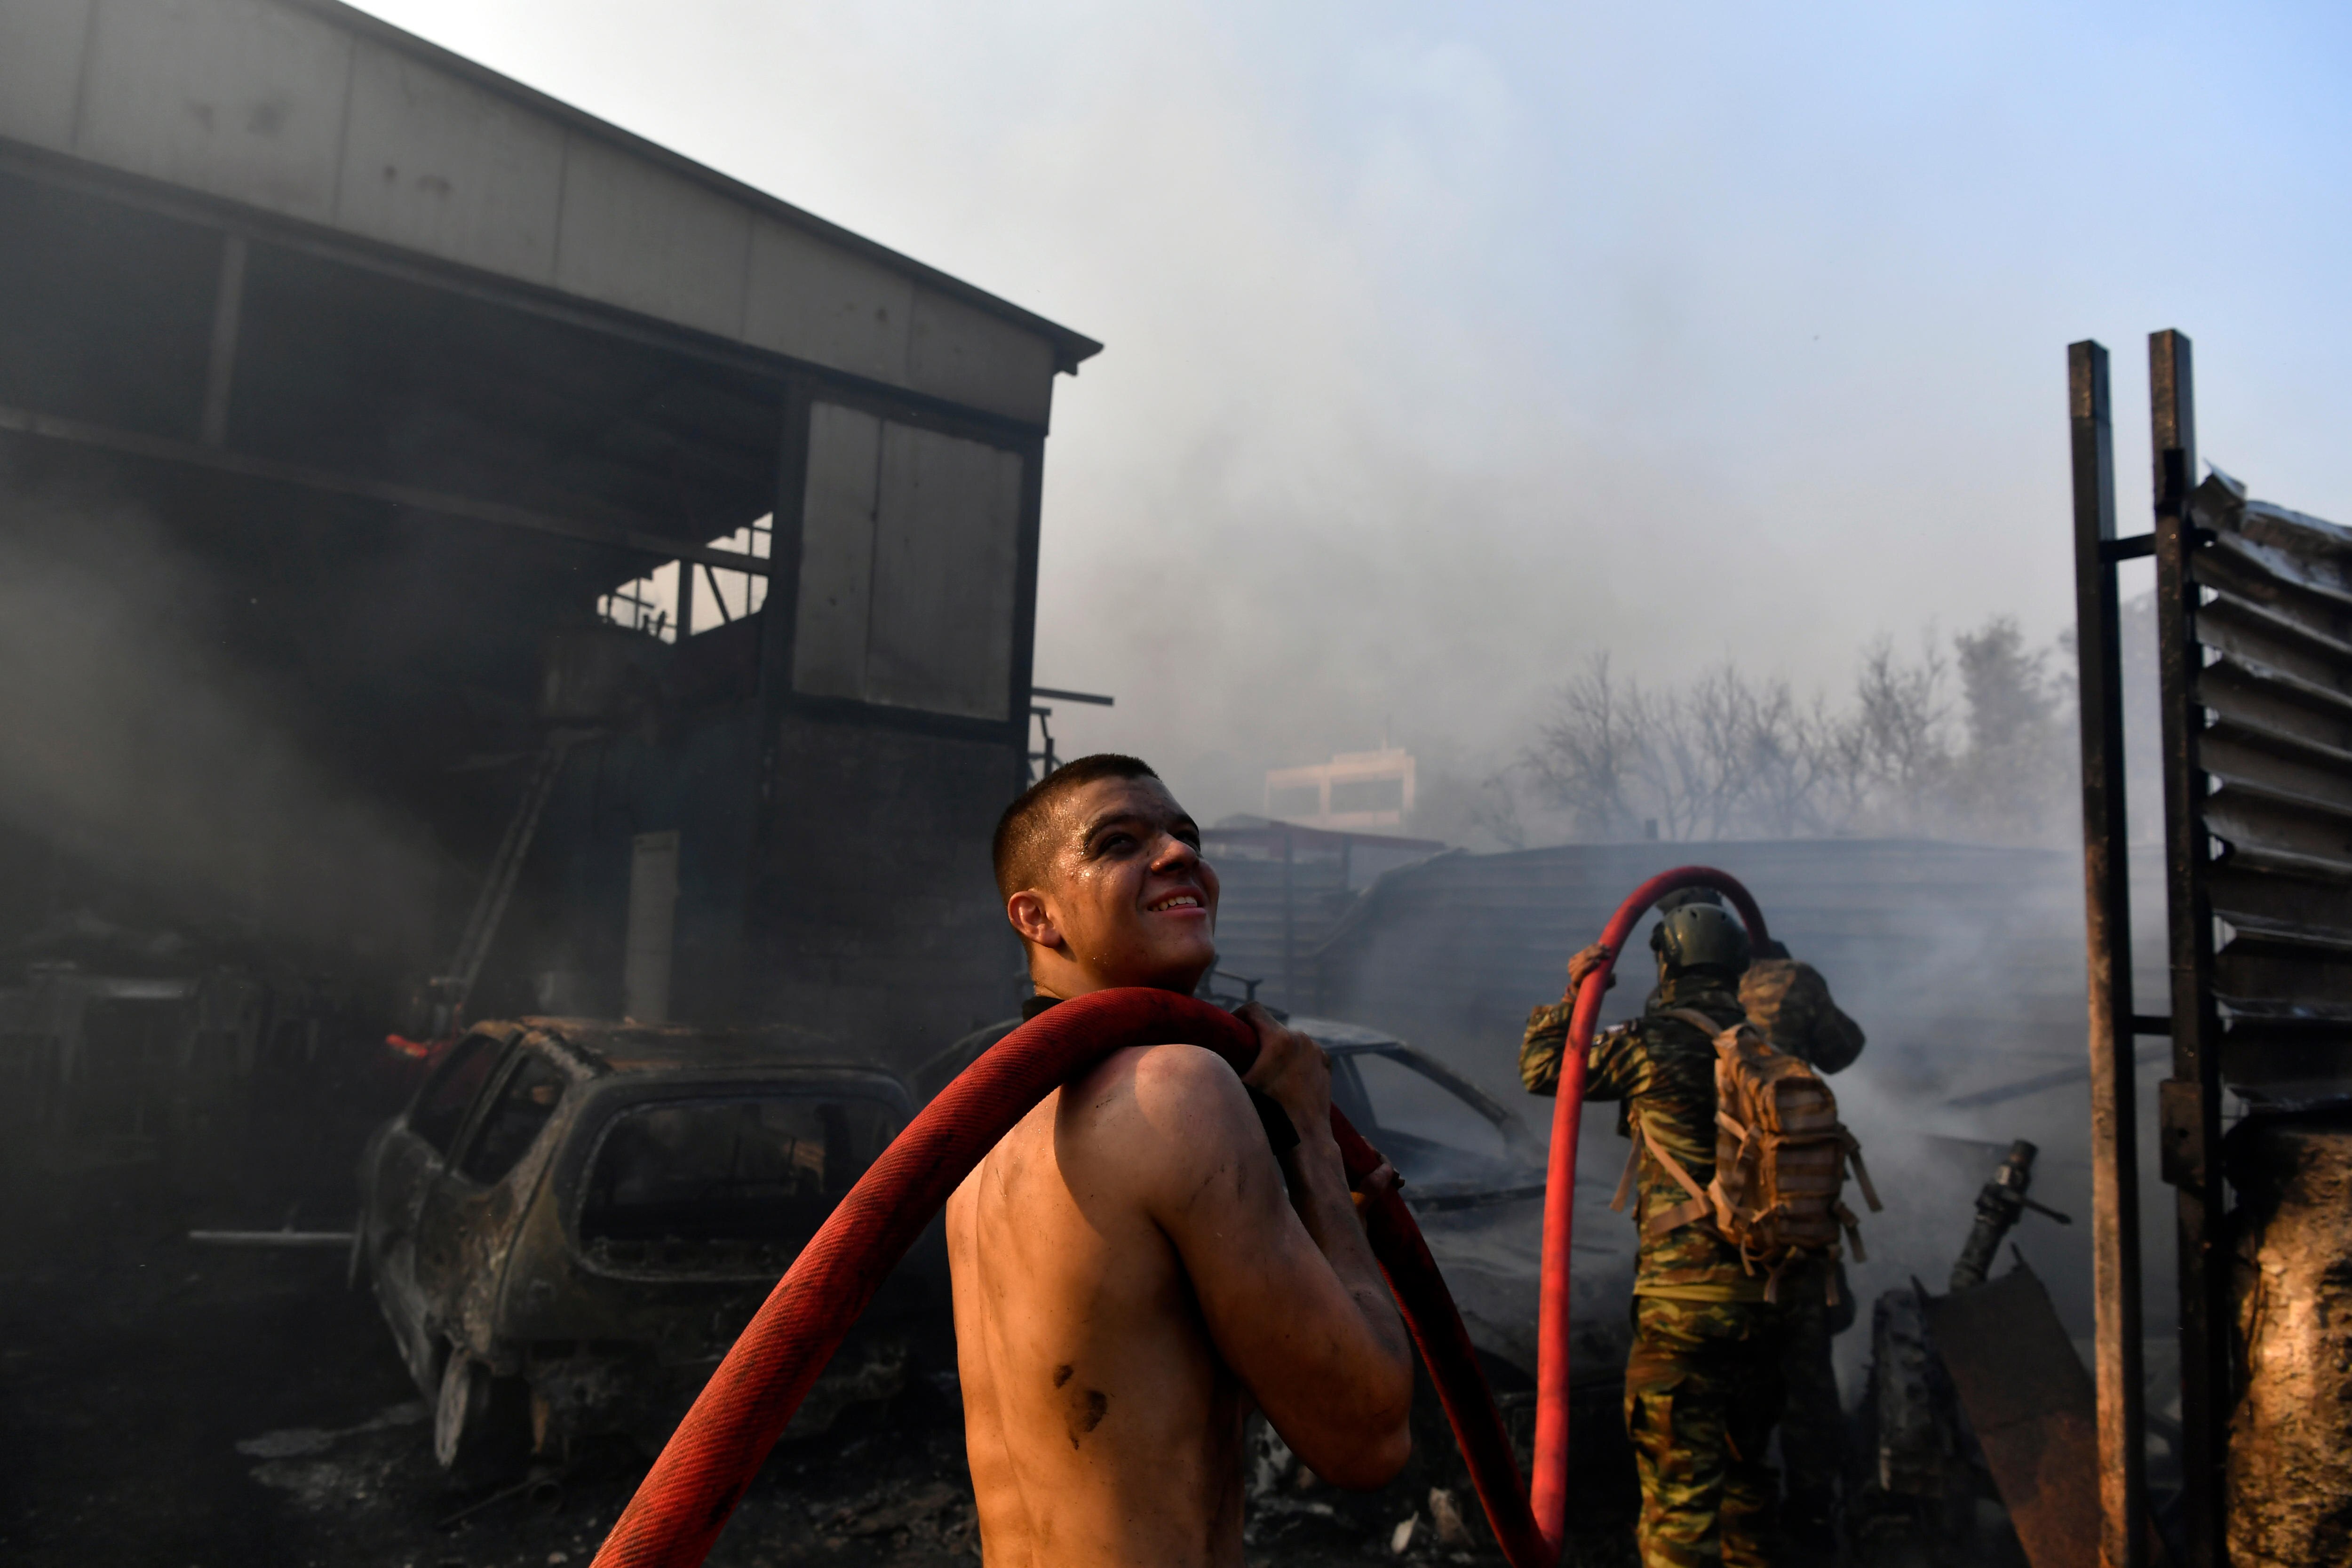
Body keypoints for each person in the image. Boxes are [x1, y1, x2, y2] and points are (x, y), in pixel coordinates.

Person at [947, 754, 1414, 1567]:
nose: (1177, 854)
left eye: (1184, 835)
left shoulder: (986, 1137)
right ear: (1038, 916)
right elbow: (1368, 1436)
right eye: (1121, 842)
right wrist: (1309, 1140)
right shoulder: (1176, 1089)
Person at [1517, 890, 1784, 1568]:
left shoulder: (1647, 1044)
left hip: (1681, 1308)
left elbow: (1544, 1067)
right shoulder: (1769, 1049)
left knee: (1679, 1505)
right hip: (1767, 1304)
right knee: (1748, 1489)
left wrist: (1575, 991)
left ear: (1668, 963)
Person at [1740, 941, 1866, 1556]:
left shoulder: (1699, 998)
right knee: (1808, 1384)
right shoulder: (1797, 981)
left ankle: (1741, 1523)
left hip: (1724, 1238)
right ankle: (1816, 1518)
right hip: (1797, 1227)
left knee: (1731, 1383)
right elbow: (1846, 1049)